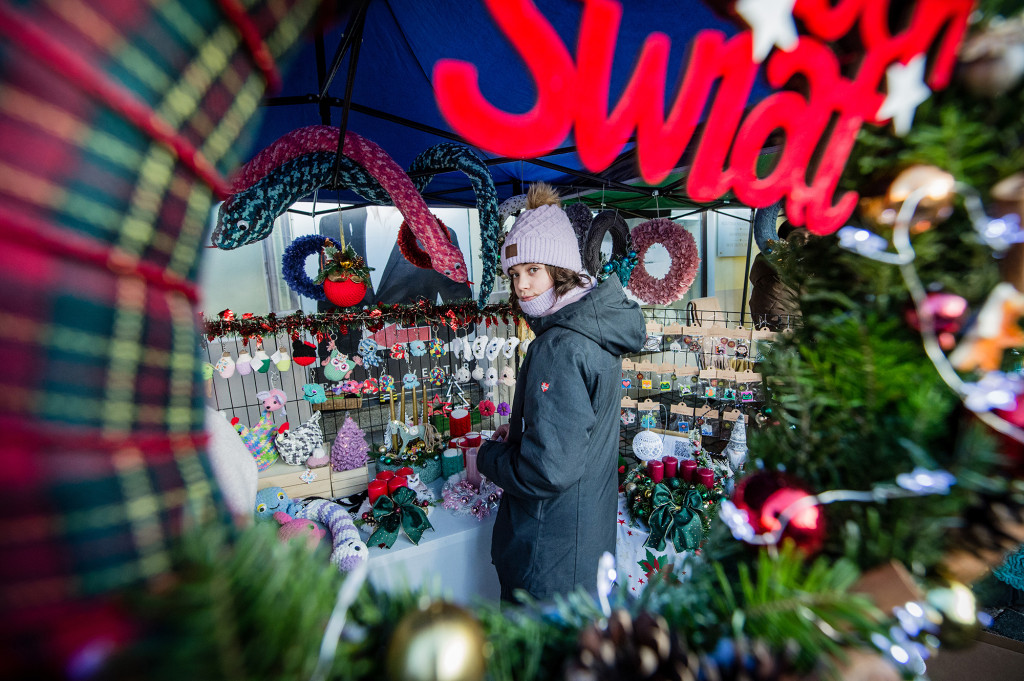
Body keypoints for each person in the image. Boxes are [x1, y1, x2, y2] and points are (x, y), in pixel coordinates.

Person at [477, 183, 646, 602]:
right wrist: (521, 437)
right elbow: (574, 437)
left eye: (533, 270)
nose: (521, 285)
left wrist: (490, 457)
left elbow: (548, 470)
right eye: (515, 274)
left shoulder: (560, 345)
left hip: (549, 551)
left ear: (562, 269)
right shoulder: (593, 327)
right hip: (582, 536)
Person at [747, 221, 802, 331]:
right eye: (799, 238)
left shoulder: (771, 261)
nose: (806, 243)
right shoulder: (778, 274)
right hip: (783, 331)